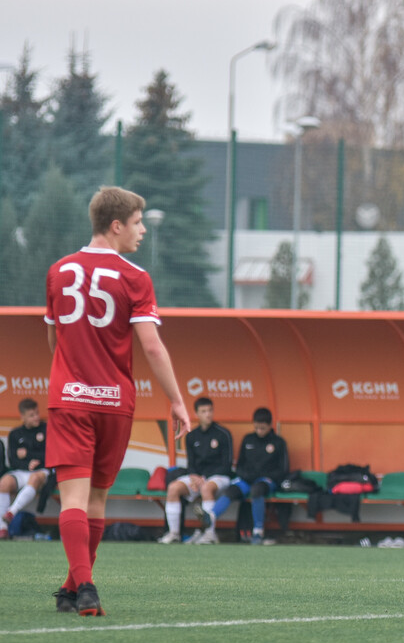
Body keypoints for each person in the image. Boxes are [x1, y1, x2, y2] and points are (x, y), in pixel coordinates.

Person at [44, 186, 191, 616]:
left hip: (69, 399)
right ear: (116, 225)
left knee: (73, 500)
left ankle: (78, 587)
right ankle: (80, 588)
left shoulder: (58, 271)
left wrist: (72, 370)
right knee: (95, 503)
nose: (142, 230)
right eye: (137, 222)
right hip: (114, 403)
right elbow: (153, 347)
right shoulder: (136, 278)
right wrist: (177, 401)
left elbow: (53, 338)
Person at [203, 407, 288, 545]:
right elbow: (240, 465)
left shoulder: (278, 442)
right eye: (257, 427)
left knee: (256, 490)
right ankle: (211, 516)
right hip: (247, 480)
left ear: (270, 425)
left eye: (263, 428)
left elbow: (283, 470)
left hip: (265, 481)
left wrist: (262, 475)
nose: (259, 431)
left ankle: (258, 532)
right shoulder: (248, 439)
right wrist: (245, 474)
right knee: (231, 490)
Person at [157, 396, 234, 545]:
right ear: (196, 414)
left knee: (206, 488)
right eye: (204, 411)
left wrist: (203, 479)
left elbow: (226, 465)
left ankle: (209, 534)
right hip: (198, 478)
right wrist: (193, 477)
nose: (208, 414)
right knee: (173, 488)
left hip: (219, 477)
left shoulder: (223, 434)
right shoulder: (192, 436)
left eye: (210, 410)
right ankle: (174, 533)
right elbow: (191, 464)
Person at [0, 399, 50, 540]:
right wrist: (27, 465)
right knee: (4, 482)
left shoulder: (46, 429)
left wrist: (28, 455)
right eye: (31, 415)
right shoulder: (15, 434)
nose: (36, 417)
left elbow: (51, 455)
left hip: (42, 471)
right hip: (22, 471)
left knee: (35, 478)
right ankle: (2, 529)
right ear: (22, 417)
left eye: (37, 413)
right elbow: (13, 460)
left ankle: (11, 513)